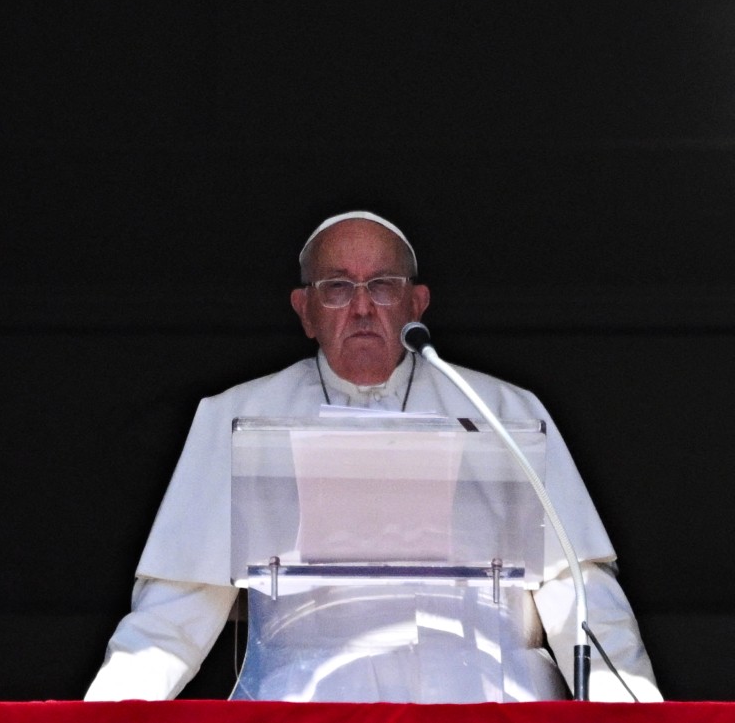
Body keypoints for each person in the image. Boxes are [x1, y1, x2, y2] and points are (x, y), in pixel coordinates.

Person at [84, 211, 661, 703]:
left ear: (417, 302)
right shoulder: (236, 416)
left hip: (488, 700)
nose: (362, 307)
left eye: (382, 285)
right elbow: (172, 616)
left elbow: (578, 592)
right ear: (304, 310)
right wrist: (102, 715)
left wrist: (634, 710)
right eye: (336, 287)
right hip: (312, 703)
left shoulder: (504, 410)